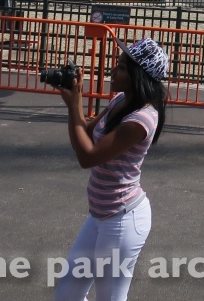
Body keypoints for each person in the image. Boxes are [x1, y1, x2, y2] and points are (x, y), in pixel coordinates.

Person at [53, 38, 168, 301]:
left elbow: (87, 156)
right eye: (117, 64)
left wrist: (74, 104)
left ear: (140, 77)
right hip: (100, 215)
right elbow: (86, 134)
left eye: (123, 68)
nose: (114, 71)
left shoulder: (141, 120)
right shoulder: (120, 101)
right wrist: (74, 100)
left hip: (123, 220)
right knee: (67, 296)